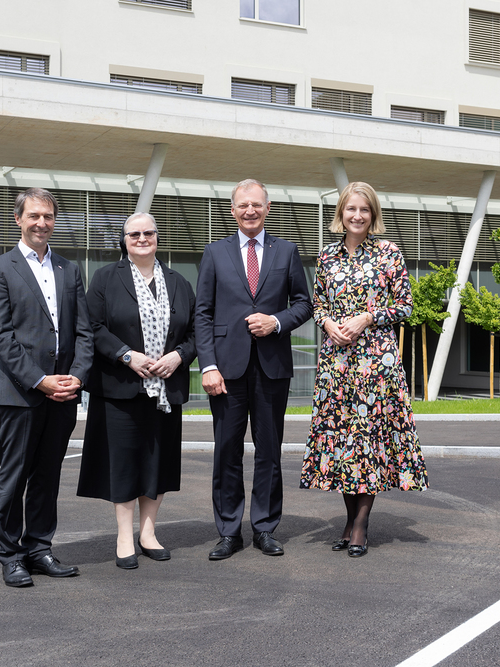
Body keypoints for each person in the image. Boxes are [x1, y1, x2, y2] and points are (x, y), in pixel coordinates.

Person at [300, 181, 429, 557]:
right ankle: (348, 518)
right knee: (342, 441)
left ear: (373, 215)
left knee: (368, 439)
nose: (357, 216)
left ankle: (360, 524)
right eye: (351, 209)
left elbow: (405, 306)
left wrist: (367, 317)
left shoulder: (388, 253)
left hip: (376, 361)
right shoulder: (326, 257)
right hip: (336, 362)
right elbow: (318, 304)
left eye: (365, 210)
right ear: (340, 213)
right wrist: (327, 324)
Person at [0, 187, 93, 587]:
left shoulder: (69, 269)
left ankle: (39, 548)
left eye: (47, 216)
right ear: (18, 220)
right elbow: (1, 337)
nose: (41, 223)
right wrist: (40, 380)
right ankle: (11, 555)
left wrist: (76, 377)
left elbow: (83, 331)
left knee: (47, 476)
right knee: (15, 477)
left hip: (63, 393)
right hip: (22, 394)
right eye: (34, 216)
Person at [194, 178, 312, 560]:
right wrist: (207, 365)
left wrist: (275, 322)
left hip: (271, 366)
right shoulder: (214, 253)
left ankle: (264, 528)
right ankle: (229, 531)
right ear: (233, 210)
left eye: (256, 205)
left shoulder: (287, 251)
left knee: (269, 452)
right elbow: (203, 314)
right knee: (226, 451)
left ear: (268, 207)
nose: (250, 211)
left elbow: (303, 303)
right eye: (243, 205)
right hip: (225, 369)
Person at [77, 212, 197, 570]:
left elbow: (195, 333)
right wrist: (127, 355)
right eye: (134, 234)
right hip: (121, 387)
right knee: (124, 463)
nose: (142, 238)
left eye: (148, 233)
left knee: (156, 463)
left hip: (165, 389)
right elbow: (92, 327)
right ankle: (124, 536)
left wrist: (177, 357)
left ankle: (148, 532)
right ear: (124, 240)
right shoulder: (105, 279)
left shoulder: (178, 282)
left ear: (158, 237)